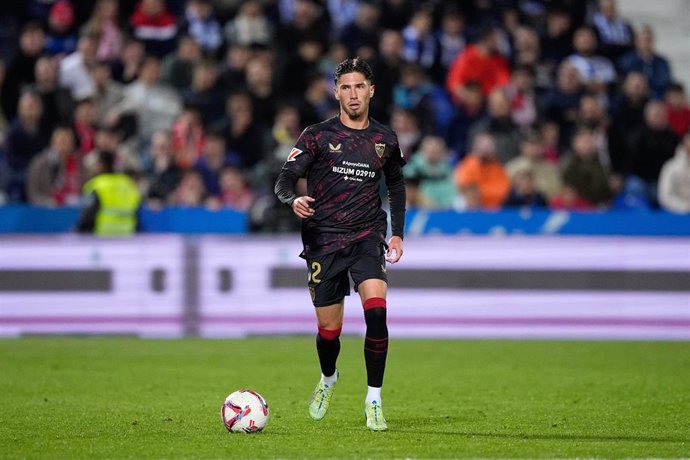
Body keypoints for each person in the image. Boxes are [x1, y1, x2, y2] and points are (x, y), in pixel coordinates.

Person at [274, 58, 405, 431]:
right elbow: (284, 179)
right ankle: (328, 378)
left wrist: (397, 233)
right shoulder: (316, 135)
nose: (352, 94)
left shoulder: (384, 139)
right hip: (324, 241)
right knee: (329, 331)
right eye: (345, 87)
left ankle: (374, 399)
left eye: (359, 86)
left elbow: (396, 184)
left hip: (367, 236)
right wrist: (291, 200)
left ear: (371, 90)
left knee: (376, 312)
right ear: (336, 92)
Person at [77, 150, 141, 236]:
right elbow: (137, 207)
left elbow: (88, 214)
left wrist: (79, 231)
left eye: (95, 164)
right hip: (128, 234)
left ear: (101, 165)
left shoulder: (96, 185)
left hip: (103, 235)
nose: (92, 167)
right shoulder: (127, 183)